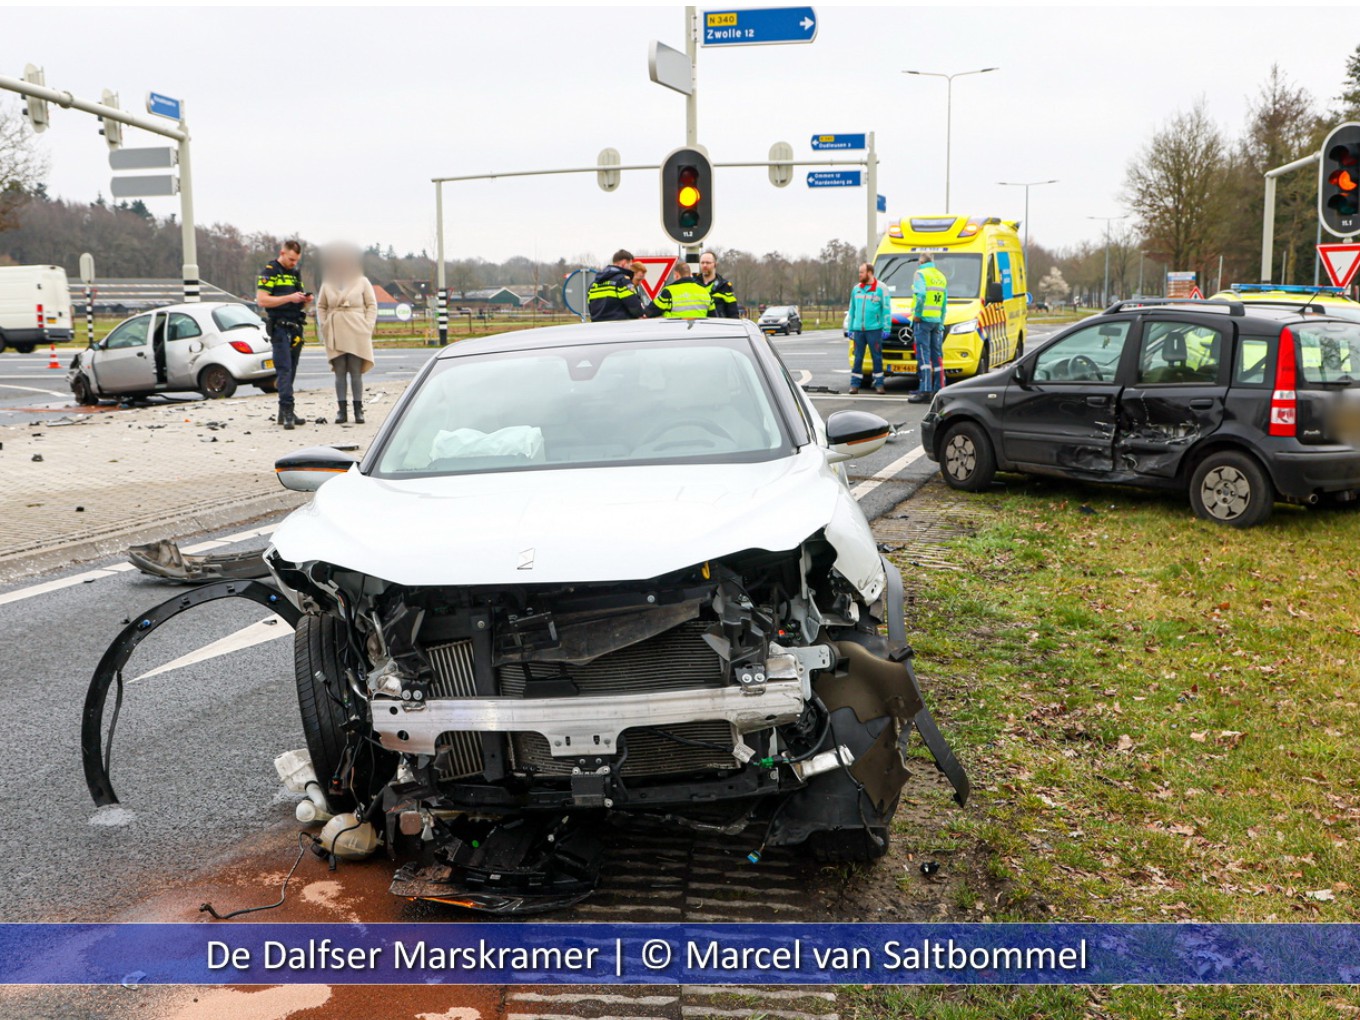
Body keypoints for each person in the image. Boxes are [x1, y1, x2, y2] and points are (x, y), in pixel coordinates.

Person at [316, 243, 377, 425]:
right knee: (340, 372)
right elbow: (321, 306)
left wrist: (368, 325)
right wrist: (325, 325)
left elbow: (372, 305)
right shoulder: (327, 283)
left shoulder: (362, 281)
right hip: (335, 330)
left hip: (358, 330)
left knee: (356, 372)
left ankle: (359, 410)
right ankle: (341, 411)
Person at [256, 240, 312, 429]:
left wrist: (305, 300)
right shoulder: (270, 271)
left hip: (295, 326)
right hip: (279, 327)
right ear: (282, 253)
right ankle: (287, 409)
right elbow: (262, 300)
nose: (293, 263)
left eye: (296, 260)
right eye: (290, 259)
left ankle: (285, 412)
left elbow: (299, 300)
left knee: (292, 369)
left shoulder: (295, 273)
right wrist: (289, 297)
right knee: (284, 369)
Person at [846, 262, 893, 394]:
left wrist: (886, 328)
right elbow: (852, 310)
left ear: (870, 273)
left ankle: (879, 384)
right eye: (859, 272)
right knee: (858, 358)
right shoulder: (856, 289)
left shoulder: (881, 288)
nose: (859, 275)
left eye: (862, 272)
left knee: (876, 357)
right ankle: (854, 385)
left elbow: (886, 309)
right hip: (858, 330)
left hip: (875, 330)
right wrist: (850, 328)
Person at [908, 253, 949, 404]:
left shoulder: (920, 274)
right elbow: (944, 303)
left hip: (923, 320)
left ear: (921, 261)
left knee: (924, 357)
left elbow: (920, 295)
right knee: (936, 356)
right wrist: (941, 323)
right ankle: (938, 389)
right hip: (936, 320)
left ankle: (924, 390)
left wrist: (918, 314)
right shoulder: (941, 276)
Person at [644, 261, 715, 318]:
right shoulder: (705, 291)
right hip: (699, 333)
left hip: (676, 333)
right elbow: (713, 317)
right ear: (690, 274)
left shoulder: (669, 292)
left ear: (677, 275)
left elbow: (650, 312)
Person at [587, 249, 644, 320]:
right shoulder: (622, 281)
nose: (630, 268)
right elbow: (636, 309)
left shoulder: (593, 285)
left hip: (598, 328)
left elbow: (591, 308)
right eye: (630, 264)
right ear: (624, 263)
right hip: (619, 327)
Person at [698, 250, 738, 318]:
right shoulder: (693, 284)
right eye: (702, 263)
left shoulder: (725, 286)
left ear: (715, 264)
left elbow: (733, 312)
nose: (704, 265)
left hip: (718, 326)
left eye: (708, 263)